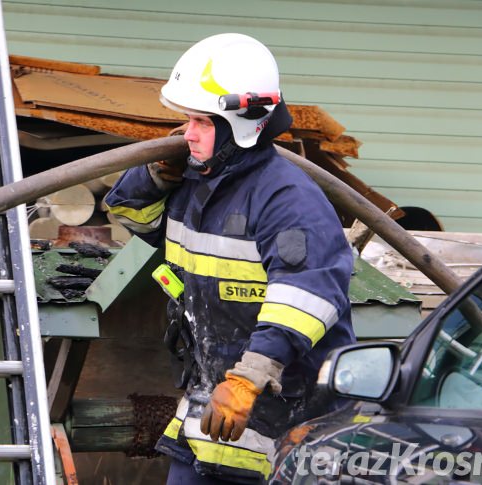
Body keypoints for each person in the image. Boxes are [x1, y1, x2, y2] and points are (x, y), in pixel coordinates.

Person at [105, 33, 355, 484]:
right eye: (186, 120)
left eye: (201, 122)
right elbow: (133, 218)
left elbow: (305, 296)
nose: (186, 134)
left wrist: (248, 378)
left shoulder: (288, 198)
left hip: (285, 421)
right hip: (210, 405)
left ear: (244, 122)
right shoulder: (194, 184)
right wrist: (154, 177)